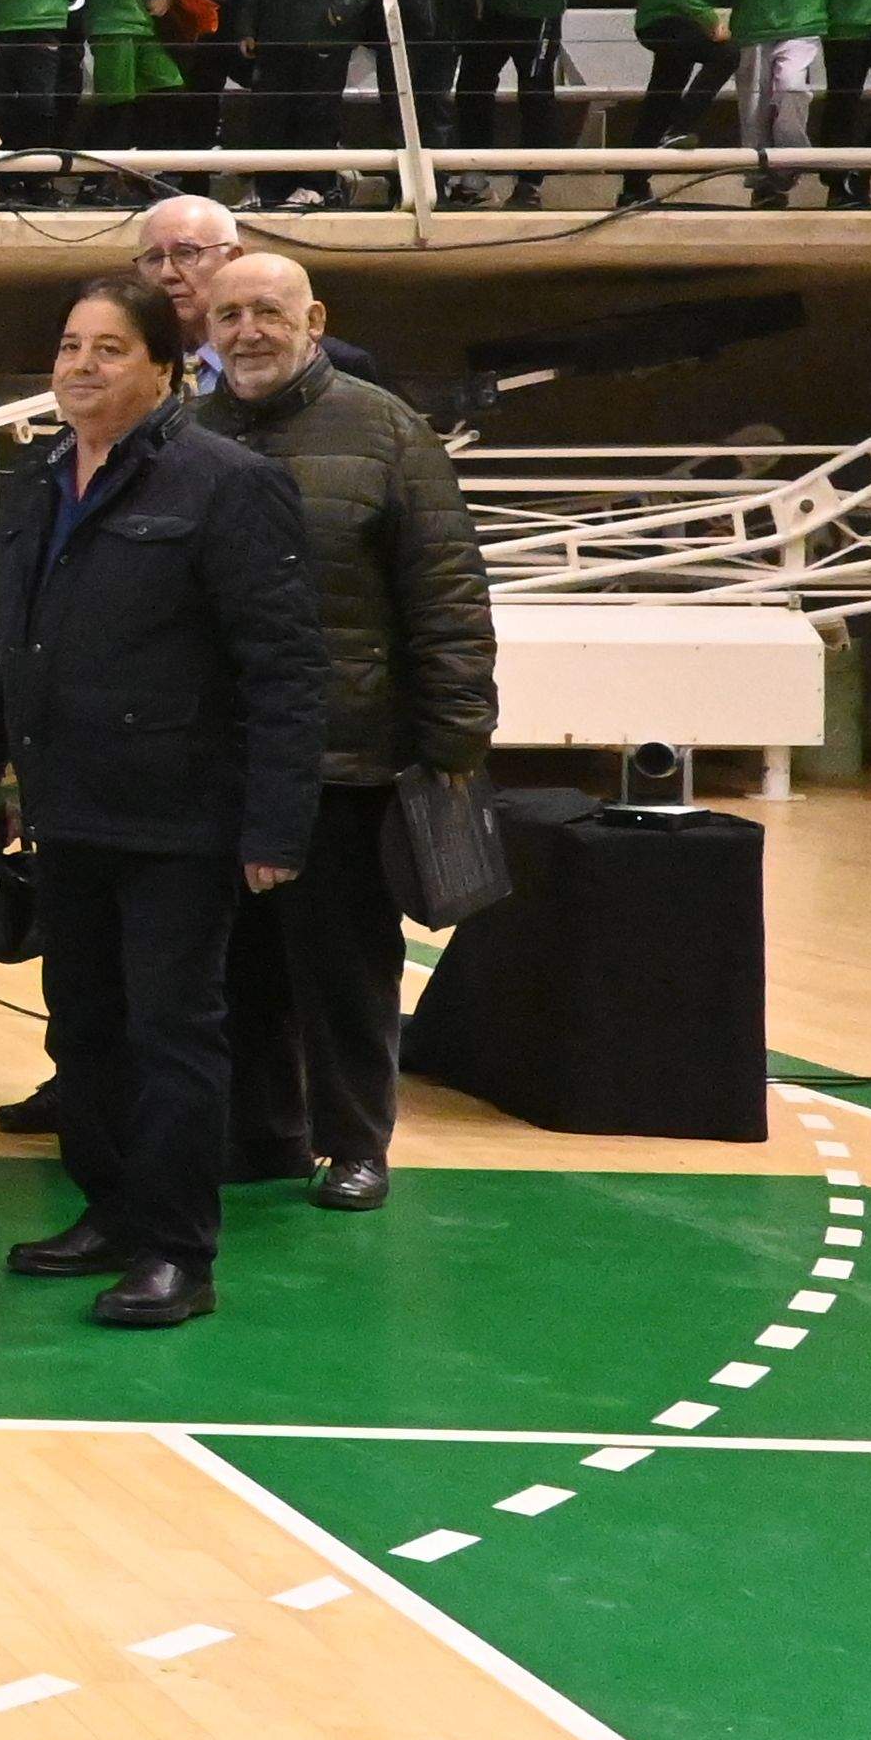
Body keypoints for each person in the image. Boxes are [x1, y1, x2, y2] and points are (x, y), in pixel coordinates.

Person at [0, 273, 324, 1330]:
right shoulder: (37, 478)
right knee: (83, 1028)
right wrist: (6, 780)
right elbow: (18, 644)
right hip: (67, 808)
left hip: (181, 815)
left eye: (109, 348)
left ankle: (178, 1247)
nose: (80, 365)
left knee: (174, 1033)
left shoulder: (226, 483)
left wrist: (273, 823)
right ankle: (111, 1210)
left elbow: (285, 665)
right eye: (70, 345)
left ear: (167, 369)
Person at [197, 254, 492, 1215]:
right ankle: (264, 1133)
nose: (247, 331)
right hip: (222, 757)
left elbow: (447, 594)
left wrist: (454, 739)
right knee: (236, 964)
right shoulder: (188, 433)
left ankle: (357, 1141)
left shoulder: (388, 431)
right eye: (229, 314)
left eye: (268, 313)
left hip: (350, 756)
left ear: (312, 319)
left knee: (345, 969)